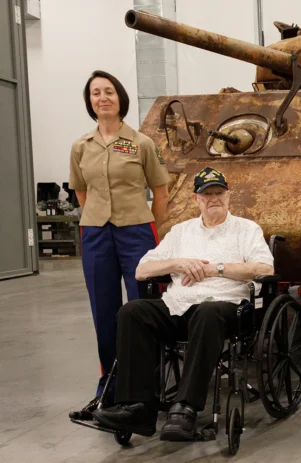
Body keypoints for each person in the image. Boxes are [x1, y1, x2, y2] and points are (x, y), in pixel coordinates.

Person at [92, 167, 275, 442]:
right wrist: (179, 263)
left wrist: (216, 269)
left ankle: (185, 407)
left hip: (225, 304)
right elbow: (142, 270)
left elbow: (265, 268)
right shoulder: (181, 232)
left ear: (228, 196)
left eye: (218, 193)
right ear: (196, 200)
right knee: (132, 312)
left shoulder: (246, 229)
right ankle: (138, 407)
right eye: (206, 194)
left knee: (208, 311)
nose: (213, 198)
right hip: (179, 305)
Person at [69, 70, 170, 417]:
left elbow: (160, 192)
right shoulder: (81, 146)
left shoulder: (142, 143)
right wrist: (97, 216)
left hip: (137, 232)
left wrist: (156, 230)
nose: (102, 98)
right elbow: (81, 190)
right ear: (90, 102)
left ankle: (146, 387)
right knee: (104, 311)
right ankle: (109, 389)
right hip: (96, 234)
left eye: (108, 91)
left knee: (142, 308)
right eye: (95, 93)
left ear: (120, 98)